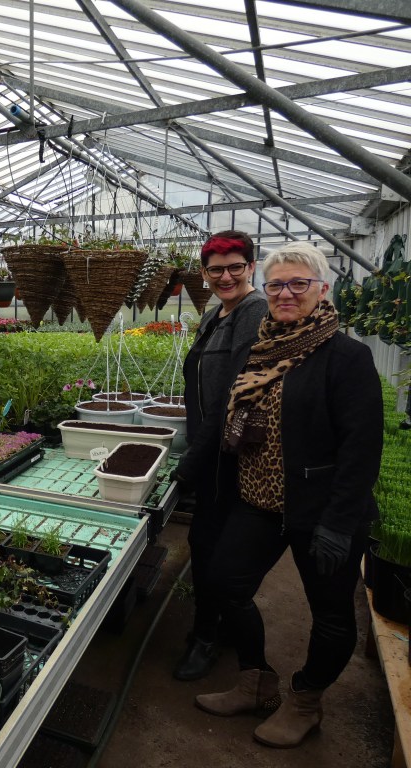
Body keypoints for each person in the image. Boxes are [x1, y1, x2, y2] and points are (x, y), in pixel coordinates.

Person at [194, 241, 383, 749]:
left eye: (299, 283)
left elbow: (362, 449)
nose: (285, 293)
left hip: (319, 510)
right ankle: (256, 680)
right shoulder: (263, 345)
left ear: (322, 290)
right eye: (277, 284)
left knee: (332, 614)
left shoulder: (345, 356)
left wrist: (340, 524)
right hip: (259, 500)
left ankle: (305, 702)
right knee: (225, 583)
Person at [171, 230, 267, 681]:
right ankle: (217, 627)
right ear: (204, 273)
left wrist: (191, 461)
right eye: (215, 269)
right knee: (206, 543)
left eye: (235, 267)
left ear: (251, 265)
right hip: (210, 448)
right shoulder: (216, 313)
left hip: (230, 454)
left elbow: (234, 394)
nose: (225, 276)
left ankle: (206, 638)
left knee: (211, 548)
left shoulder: (255, 311)